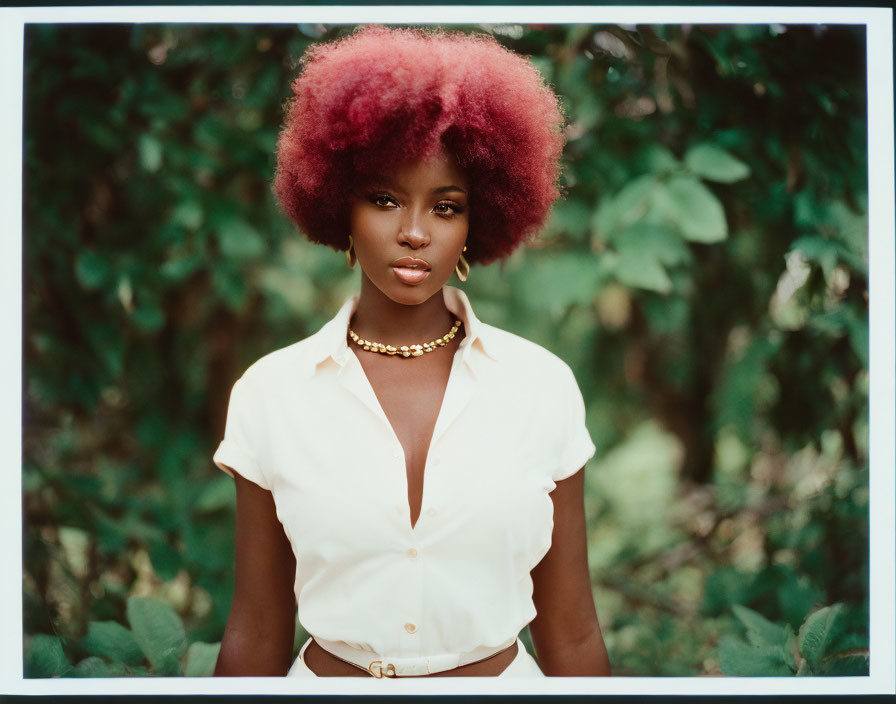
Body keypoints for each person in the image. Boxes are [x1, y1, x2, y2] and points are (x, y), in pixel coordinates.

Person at [212, 25, 611, 678]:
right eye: (385, 200)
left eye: (447, 206)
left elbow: (573, 633)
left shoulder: (542, 387)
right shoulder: (271, 393)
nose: (416, 232)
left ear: (479, 219)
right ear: (339, 206)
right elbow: (256, 632)